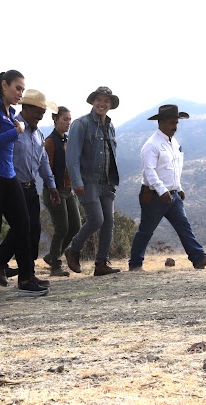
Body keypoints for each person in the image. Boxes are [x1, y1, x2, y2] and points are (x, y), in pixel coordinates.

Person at [0, 70, 49, 297]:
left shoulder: (10, 113)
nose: (20, 93)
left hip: (12, 179)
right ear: (4, 85)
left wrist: (51, 183)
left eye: (22, 90)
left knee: (26, 226)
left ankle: (26, 277)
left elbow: (41, 159)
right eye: (18, 88)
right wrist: (15, 132)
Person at [129, 105, 206, 272]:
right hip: (154, 196)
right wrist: (162, 190)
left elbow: (174, 167)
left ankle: (199, 258)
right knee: (146, 231)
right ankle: (135, 264)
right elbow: (148, 171)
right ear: (161, 122)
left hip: (172, 195)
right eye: (172, 122)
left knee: (184, 226)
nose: (175, 126)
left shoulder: (173, 142)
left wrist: (178, 187)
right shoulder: (151, 145)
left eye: (177, 122)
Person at [0, 89, 60, 278]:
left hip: (30, 187)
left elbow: (43, 162)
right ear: (26, 108)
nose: (40, 115)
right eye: (37, 111)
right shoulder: (12, 128)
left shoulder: (39, 134)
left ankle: (10, 267)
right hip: (13, 186)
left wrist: (52, 185)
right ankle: (21, 274)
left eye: (42, 112)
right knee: (22, 229)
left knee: (33, 230)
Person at [64, 86, 122, 277]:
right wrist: (76, 181)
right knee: (96, 219)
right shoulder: (81, 124)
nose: (102, 103)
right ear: (93, 101)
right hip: (88, 181)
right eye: (99, 99)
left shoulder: (110, 126)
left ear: (111, 105)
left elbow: (110, 154)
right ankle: (73, 249)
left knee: (108, 222)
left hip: (106, 182)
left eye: (106, 100)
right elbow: (72, 156)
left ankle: (101, 264)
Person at [43, 106, 81, 276]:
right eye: (65, 119)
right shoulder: (50, 141)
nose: (68, 123)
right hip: (55, 190)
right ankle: (55, 266)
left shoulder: (67, 140)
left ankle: (52, 255)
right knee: (62, 228)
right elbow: (46, 168)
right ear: (56, 120)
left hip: (68, 189)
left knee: (75, 226)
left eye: (69, 120)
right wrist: (53, 190)